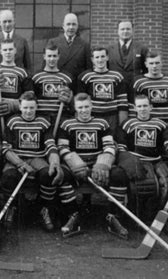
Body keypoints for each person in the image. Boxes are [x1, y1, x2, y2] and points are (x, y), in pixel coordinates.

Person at [0, 92, 80, 237]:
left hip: (37, 158)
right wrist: (19, 163)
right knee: (9, 177)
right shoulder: (12, 121)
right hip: (17, 158)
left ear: (36, 107)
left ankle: (45, 209)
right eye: (25, 108)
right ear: (20, 106)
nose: (28, 111)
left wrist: (54, 162)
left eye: (31, 108)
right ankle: (11, 209)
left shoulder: (43, 122)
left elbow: (50, 145)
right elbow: (6, 148)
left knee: (48, 175)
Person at [116, 94, 168, 237]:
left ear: (151, 107)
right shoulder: (127, 124)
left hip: (157, 160)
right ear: (135, 108)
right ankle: (141, 221)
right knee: (145, 185)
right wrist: (129, 161)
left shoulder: (160, 124)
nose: (143, 109)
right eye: (139, 106)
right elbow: (121, 148)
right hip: (138, 161)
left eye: (145, 106)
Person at [58, 93, 129, 239]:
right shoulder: (67, 124)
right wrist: (73, 161)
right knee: (62, 176)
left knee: (119, 175)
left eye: (86, 107)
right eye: (80, 107)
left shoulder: (102, 123)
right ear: (75, 108)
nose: (83, 110)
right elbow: (62, 148)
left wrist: (103, 162)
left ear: (91, 106)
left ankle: (112, 216)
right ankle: (74, 214)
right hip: (77, 166)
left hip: (96, 164)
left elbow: (109, 145)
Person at [129, 51, 168, 150]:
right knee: (152, 151)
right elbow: (133, 108)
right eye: (151, 63)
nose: (154, 66)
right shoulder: (139, 82)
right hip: (148, 124)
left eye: (157, 63)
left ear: (162, 63)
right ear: (146, 64)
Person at [0, 39, 33, 127]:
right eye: (5, 50)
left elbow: (30, 96)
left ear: (15, 51)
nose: (8, 52)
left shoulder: (23, 72)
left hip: (15, 115)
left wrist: (14, 105)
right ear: (0, 51)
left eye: (10, 49)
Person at [77, 46, 128, 130]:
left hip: (112, 117)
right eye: (97, 57)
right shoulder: (85, 77)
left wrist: (122, 125)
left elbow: (122, 103)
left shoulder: (117, 77)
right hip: (93, 116)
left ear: (107, 57)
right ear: (92, 59)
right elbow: (81, 102)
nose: (100, 60)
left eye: (102, 56)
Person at [31, 43, 74, 125]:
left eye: (54, 56)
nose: (52, 59)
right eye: (49, 56)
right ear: (44, 56)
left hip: (61, 117)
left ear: (58, 56)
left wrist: (69, 100)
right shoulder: (36, 77)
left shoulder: (67, 78)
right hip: (41, 117)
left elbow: (72, 102)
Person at [47, 13, 91, 81]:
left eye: (74, 24)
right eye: (68, 24)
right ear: (63, 26)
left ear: (77, 26)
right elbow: (46, 66)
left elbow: (88, 69)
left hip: (77, 84)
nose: (71, 27)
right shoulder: (53, 42)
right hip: (58, 82)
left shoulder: (85, 45)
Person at [107, 20, 149, 86]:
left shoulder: (141, 49)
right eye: (122, 29)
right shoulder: (109, 50)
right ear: (118, 31)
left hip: (134, 87)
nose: (125, 31)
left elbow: (146, 70)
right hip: (116, 87)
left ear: (133, 31)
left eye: (128, 29)